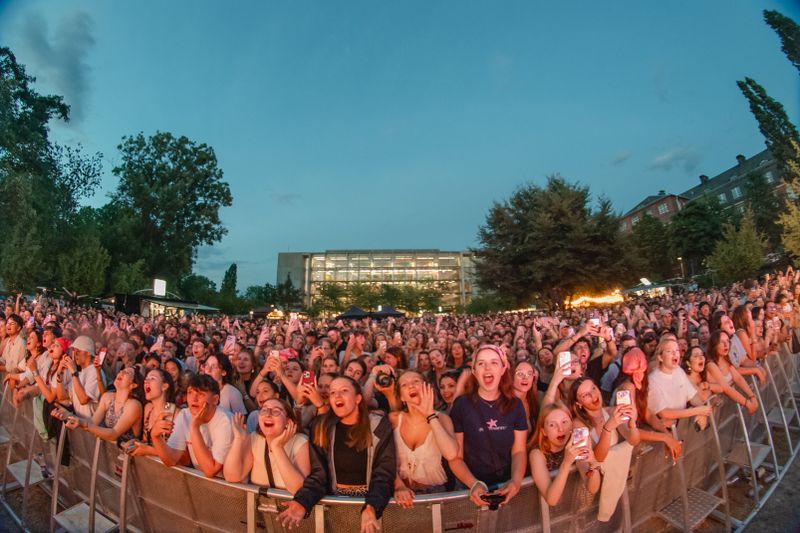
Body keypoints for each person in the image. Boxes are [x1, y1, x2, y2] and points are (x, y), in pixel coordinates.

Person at [278, 376, 395, 533]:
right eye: (333, 392)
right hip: (336, 509)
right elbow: (319, 475)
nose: (337, 396)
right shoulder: (321, 427)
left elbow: (384, 473)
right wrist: (302, 502)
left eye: (344, 391)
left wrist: (371, 506)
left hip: (373, 510)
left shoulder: (379, 425)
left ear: (358, 398)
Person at [448, 345, 528, 508]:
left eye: (494, 362)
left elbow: (519, 450)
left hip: (505, 486)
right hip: (470, 487)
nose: (487, 368)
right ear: (474, 370)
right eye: (481, 363)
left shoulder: (515, 405)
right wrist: (474, 484)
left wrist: (516, 481)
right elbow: (456, 456)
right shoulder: (461, 406)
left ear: (503, 368)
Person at [391, 372, 458, 507]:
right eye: (404, 384)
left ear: (428, 388)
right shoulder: (393, 419)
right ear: (402, 397)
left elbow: (451, 454)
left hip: (435, 494)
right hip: (401, 494)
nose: (411, 386)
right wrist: (398, 485)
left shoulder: (443, 419)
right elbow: (382, 459)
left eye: (416, 381)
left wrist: (430, 415)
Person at [150, 374, 234, 478]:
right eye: (190, 393)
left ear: (215, 400)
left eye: (200, 394)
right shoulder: (185, 414)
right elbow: (171, 460)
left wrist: (194, 428)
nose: (194, 399)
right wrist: (155, 437)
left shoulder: (225, 421)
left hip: (228, 487)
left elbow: (210, 471)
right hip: (201, 482)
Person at [224, 398, 311, 494]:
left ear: (288, 422)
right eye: (264, 410)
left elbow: (298, 489)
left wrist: (277, 447)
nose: (268, 414)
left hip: (288, 507)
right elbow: (232, 476)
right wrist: (238, 439)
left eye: (276, 411)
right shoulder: (254, 438)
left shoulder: (301, 442)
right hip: (257, 506)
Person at [529, 403, 600, 506]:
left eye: (564, 422)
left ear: (571, 424)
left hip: (569, 510)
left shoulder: (575, 445)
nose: (560, 429)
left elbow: (593, 489)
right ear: (544, 431)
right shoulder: (537, 454)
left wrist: (593, 463)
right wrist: (566, 463)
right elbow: (551, 500)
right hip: (539, 515)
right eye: (552, 425)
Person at [56, 366, 144, 445]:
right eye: (121, 370)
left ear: (133, 385)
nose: (121, 372)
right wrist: (68, 415)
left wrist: (83, 424)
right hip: (110, 454)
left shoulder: (134, 405)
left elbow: (114, 434)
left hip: (130, 459)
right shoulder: (107, 397)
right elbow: (93, 422)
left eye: (127, 373)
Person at [647, 338, 712, 430]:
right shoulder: (653, 380)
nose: (675, 353)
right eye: (669, 351)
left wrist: (702, 410)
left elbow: (692, 397)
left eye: (677, 350)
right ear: (660, 357)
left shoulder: (679, 371)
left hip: (682, 425)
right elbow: (664, 413)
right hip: (665, 429)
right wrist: (696, 411)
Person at [705, 331, 758, 415]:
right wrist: (746, 403)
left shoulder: (726, 359)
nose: (726, 345)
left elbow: (738, 378)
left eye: (727, 341)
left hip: (726, 409)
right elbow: (726, 388)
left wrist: (752, 396)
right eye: (722, 342)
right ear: (714, 345)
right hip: (714, 412)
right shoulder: (710, 364)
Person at [128, 368, 177, 457]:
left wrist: (150, 451)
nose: (146, 381)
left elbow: (179, 456)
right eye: (146, 378)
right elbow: (146, 442)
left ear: (164, 386)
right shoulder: (148, 408)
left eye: (152, 378)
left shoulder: (174, 412)